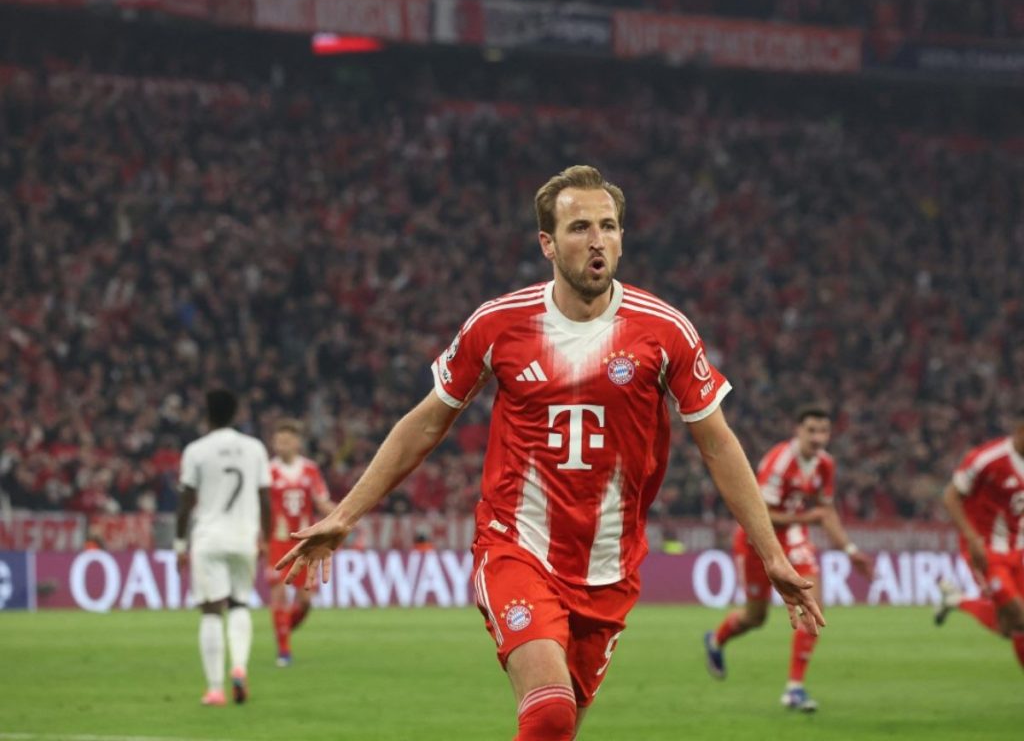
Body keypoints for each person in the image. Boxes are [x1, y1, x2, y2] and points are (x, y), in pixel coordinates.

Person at [277, 165, 824, 740]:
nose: (597, 240)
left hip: (609, 570)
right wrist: (344, 515)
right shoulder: (499, 324)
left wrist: (772, 555)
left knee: (556, 731)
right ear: (547, 243)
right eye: (580, 227)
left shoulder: (665, 331)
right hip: (518, 549)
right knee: (550, 710)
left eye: (609, 226)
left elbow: (717, 444)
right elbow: (425, 423)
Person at [704, 404, 872, 712]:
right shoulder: (780, 462)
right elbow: (760, 514)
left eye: (824, 431)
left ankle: (794, 688)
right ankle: (716, 639)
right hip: (757, 540)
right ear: (798, 431)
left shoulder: (825, 464)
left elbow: (827, 511)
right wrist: (809, 517)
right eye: (812, 430)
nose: (818, 437)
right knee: (756, 617)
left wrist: (849, 550)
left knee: (813, 604)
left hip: (794, 540)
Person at [175, 389, 272, 706]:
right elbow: (265, 499)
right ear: (235, 413)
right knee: (240, 603)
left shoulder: (196, 450)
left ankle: (215, 688)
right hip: (244, 538)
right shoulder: (254, 448)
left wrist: (179, 545)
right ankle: (240, 669)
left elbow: (186, 502)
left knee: (211, 611)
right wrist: (267, 539)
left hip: (209, 538)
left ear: (207, 414)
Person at [934, 408, 1024, 670]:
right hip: (987, 550)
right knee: (1019, 617)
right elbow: (951, 496)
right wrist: (972, 539)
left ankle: (956, 600)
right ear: (1019, 432)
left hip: (1018, 550)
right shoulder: (987, 458)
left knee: (1008, 628)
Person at [265, 418, 334, 666]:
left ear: (297, 443)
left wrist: (343, 515)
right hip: (278, 541)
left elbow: (321, 501)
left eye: (287, 440)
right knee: (279, 594)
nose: (281, 445)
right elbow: (259, 508)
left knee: (305, 602)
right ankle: (284, 650)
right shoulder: (267, 471)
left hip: (306, 542)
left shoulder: (310, 469)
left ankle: (283, 629)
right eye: (278, 440)